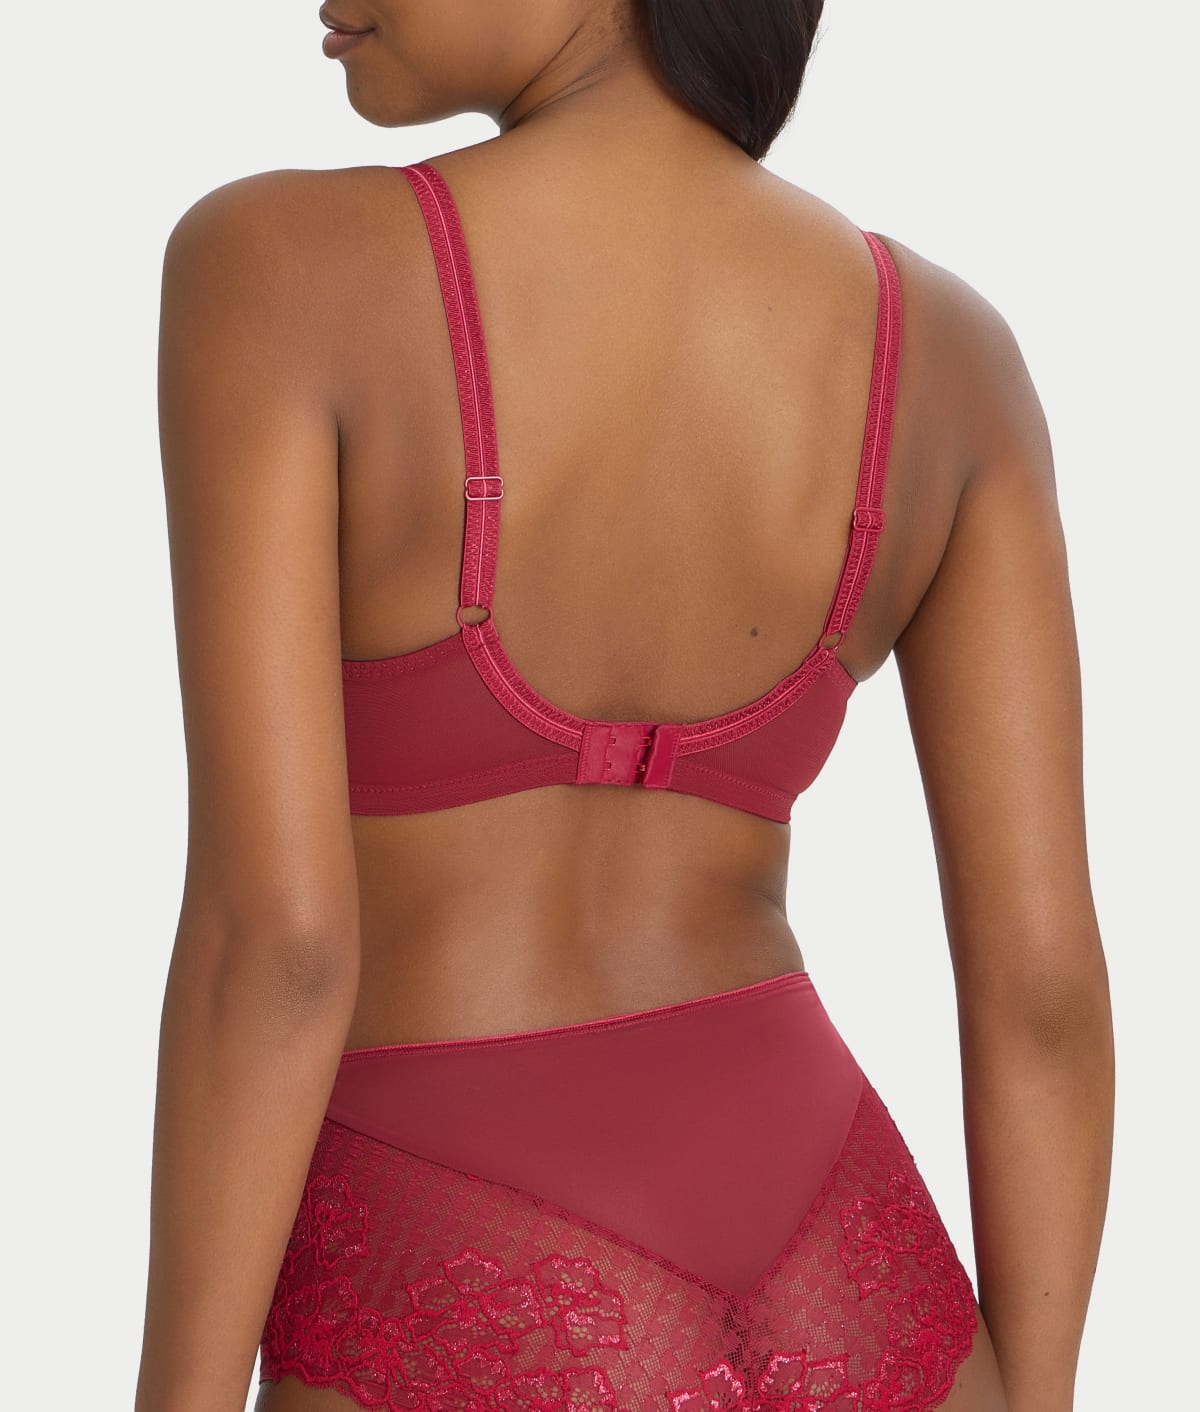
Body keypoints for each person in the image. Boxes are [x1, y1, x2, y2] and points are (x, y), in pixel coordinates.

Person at [134, 4, 1114, 1411]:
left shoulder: (278, 267)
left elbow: (276, 949)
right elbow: (1043, 993)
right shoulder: (952, 354)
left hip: (457, 1278)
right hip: (853, 1274)